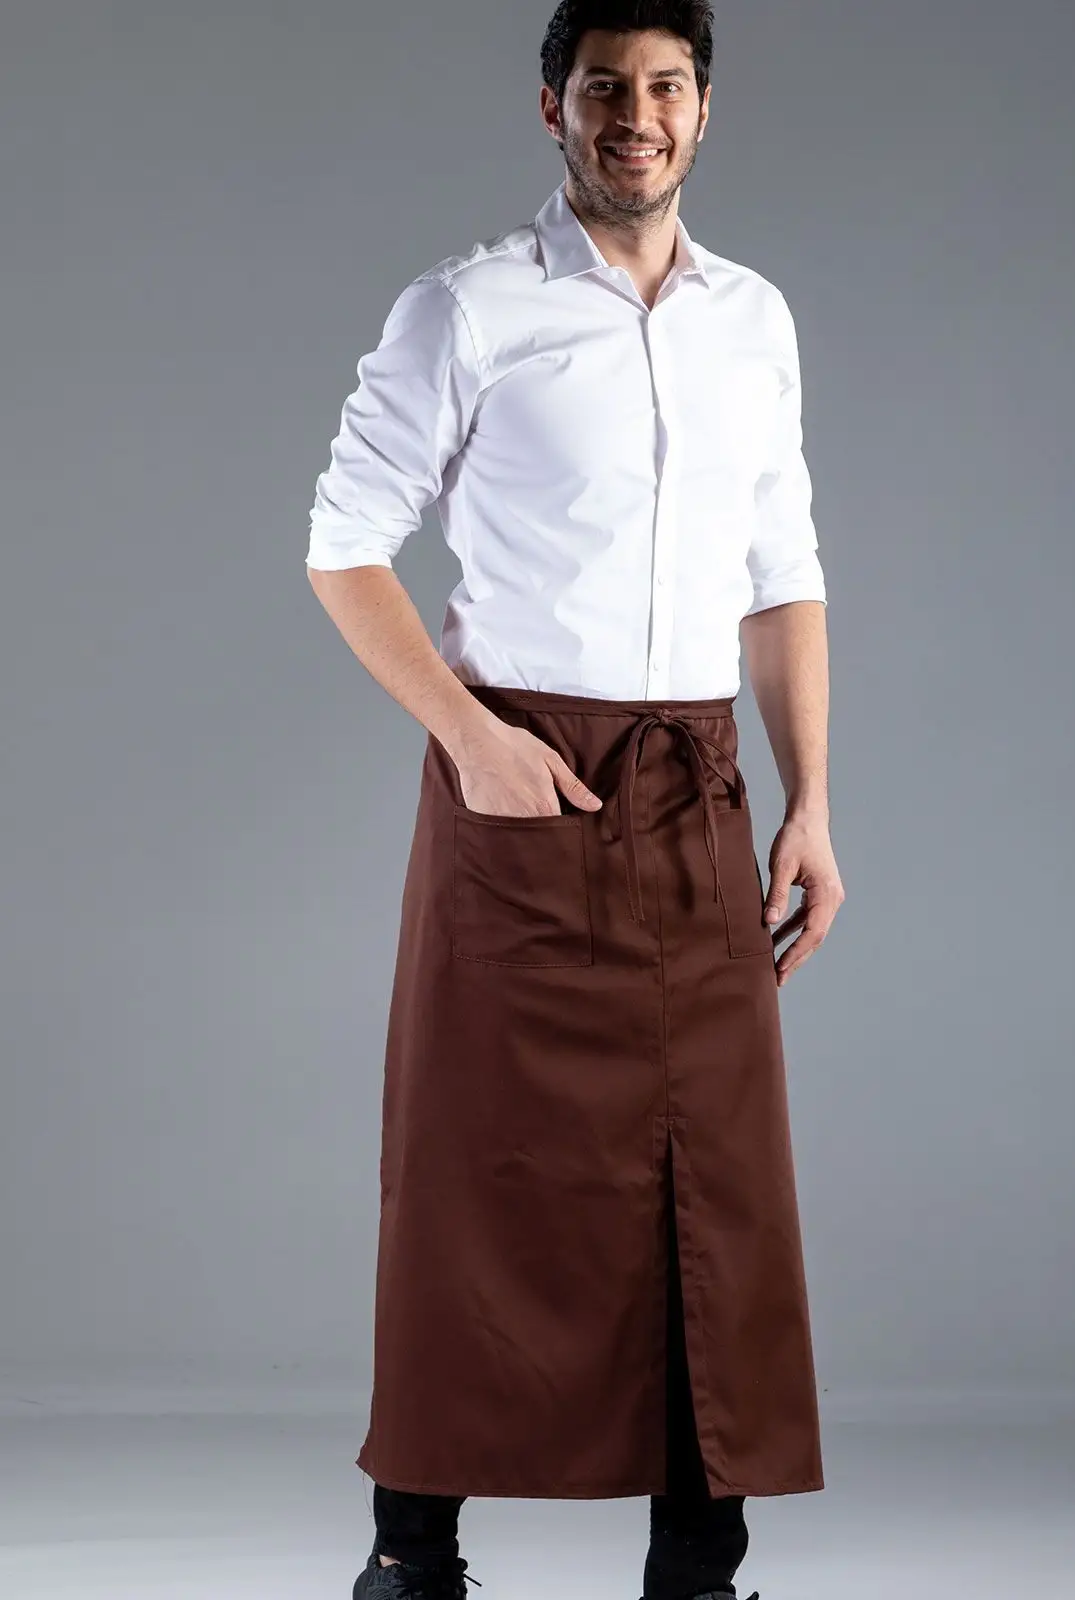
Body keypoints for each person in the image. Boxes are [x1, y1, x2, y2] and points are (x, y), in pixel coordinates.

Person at [305, 3, 845, 1596]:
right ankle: (413, 1556)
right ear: (554, 108)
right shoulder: (466, 308)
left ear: (704, 110)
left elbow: (785, 574)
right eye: (606, 87)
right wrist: (469, 739)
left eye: (667, 86)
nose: (638, 116)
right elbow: (342, 544)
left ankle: (701, 1562)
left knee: (713, 1178)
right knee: (475, 1166)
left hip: (698, 787)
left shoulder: (755, 320)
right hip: (523, 776)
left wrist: (812, 802)